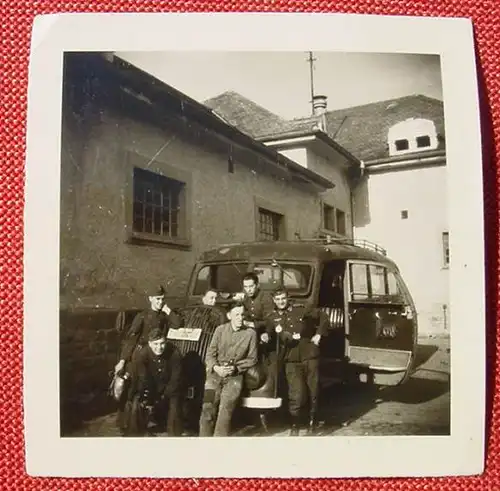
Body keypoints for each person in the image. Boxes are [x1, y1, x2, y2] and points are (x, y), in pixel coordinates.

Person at [113, 285, 181, 434]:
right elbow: (131, 339)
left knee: (155, 387)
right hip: (140, 356)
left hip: (157, 354)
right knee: (134, 389)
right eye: (157, 299)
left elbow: (178, 324)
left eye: (162, 299)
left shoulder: (164, 315)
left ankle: (150, 421)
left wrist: (168, 310)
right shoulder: (142, 316)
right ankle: (127, 425)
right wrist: (123, 360)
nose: (160, 302)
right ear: (150, 299)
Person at [264, 287, 329, 436]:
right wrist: (265, 337)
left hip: (309, 355)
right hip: (290, 359)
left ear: (288, 298)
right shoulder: (272, 317)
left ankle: (312, 423)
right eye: (278, 299)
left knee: (313, 391)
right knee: (296, 393)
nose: (281, 302)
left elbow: (324, 317)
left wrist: (319, 335)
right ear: (274, 300)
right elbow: (269, 333)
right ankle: (295, 424)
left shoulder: (301, 310)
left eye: (283, 299)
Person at [199, 301, 258, 437]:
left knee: (226, 409)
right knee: (207, 407)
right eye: (236, 314)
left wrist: (236, 368)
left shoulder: (250, 334)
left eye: (242, 315)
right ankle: (203, 442)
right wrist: (216, 367)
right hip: (215, 375)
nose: (240, 318)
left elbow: (252, 359)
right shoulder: (220, 330)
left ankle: (219, 444)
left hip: (234, 377)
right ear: (229, 315)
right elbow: (210, 353)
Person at [123, 327, 183, 436]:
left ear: (166, 342)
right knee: (136, 404)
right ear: (150, 344)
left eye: (162, 344)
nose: (159, 348)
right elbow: (143, 378)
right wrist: (148, 397)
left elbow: (176, 378)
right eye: (155, 344)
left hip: (169, 387)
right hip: (151, 386)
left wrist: (165, 396)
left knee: (174, 409)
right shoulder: (142, 355)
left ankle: (174, 435)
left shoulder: (174, 353)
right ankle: (135, 434)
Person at [238, 272, 274, 342]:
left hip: (264, 332)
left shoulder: (265, 298)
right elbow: (244, 314)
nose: (248, 290)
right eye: (245, 287)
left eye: (251, 286)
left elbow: (270, 321)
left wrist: (252, 324)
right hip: (249, 330)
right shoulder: (245, 298)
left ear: (257, 285)